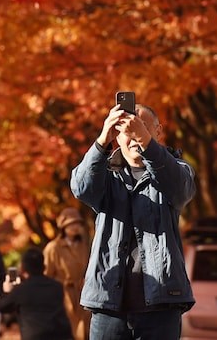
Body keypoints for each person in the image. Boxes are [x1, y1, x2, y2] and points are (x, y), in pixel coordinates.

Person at [70, 100, 196, 340]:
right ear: (117, 137)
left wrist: (145, 142)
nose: (133, 135)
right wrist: (101, 140)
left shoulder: (176, 169)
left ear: (158, 131)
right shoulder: (105, 175)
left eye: (143, 127)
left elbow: (181, 189)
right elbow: (81, 188)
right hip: (108, 305)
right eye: (126, 130)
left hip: (161, 305)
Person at [0, 247, 73, 340]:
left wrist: (7, 292)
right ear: (43, 266)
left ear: (23, 268)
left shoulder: (21, 290)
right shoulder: (57, 287)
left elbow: (2, 307)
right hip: (61, 335)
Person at [44, 207, 91, 340]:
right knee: (67, 331)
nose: (75, 227)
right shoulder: (53, 248)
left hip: (83, 293)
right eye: (71, 224)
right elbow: (47, 275)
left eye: (77, 223)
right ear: (63, 227)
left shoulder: (83, 245)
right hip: (63, 296)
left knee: (85, 330)